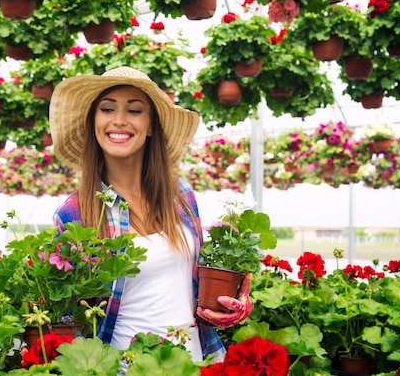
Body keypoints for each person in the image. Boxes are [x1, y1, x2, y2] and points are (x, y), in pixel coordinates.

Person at [48, 66, 252, 362]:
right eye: (106, 109)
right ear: (94, 122)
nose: (118, 120)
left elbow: (195, 285)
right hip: (124, 367)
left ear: (151, 125)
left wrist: (232, 306)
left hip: (199, 361)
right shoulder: (74, 214)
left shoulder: (180, 195)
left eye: (134, 110)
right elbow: (68, 319)